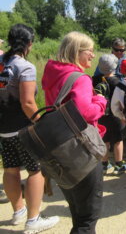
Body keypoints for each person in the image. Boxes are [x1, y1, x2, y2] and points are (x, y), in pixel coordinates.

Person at [42, 31, 107, 233]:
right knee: (87, 218)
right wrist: (100, 102)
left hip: (59, 149)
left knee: (77, 212)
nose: (92, 55)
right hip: (80, 152)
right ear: (77, 52)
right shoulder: (80, 79)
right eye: (90, 51)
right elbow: (84, 112)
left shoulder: (52, 74)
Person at [0, 24, 59, 233]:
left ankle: (18, 211)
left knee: (10, 169)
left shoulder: (1, 62)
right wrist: (40, 123)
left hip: (4, 128)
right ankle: (33, 220)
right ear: (29, 44)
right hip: (23, 129)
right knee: (35, 172)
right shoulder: (24, 67)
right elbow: (27, 103)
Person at [93, 54, 126, 175]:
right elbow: (123, 99)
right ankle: (119, 164)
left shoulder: (94, 80)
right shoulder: (117, 82)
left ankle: (105, 164)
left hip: (101, 114)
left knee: (105, 139)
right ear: (115, 67)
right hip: (116, 115)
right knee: (118, 140)